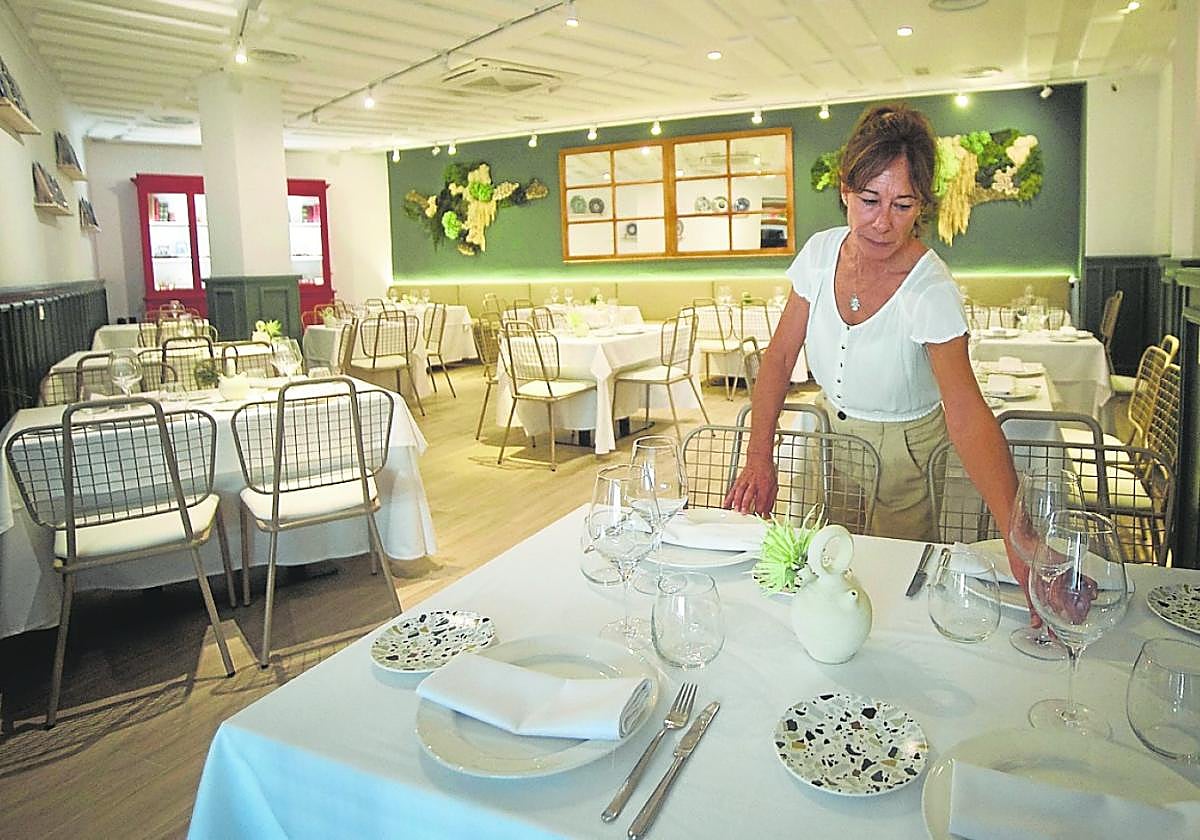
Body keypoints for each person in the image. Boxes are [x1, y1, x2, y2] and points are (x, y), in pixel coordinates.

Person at [724, 103, 1041, 617]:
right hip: (832, 446)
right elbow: (781, 357)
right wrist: (760, 455)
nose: (882, 222)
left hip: (909, 460)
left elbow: (965, 410)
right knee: (818, 584)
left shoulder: (930, 290)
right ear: (846, 190)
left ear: (921, 207)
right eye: (870, 199)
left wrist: (1017, 535)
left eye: (903, 205)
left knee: (894, 601)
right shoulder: (820, 254)